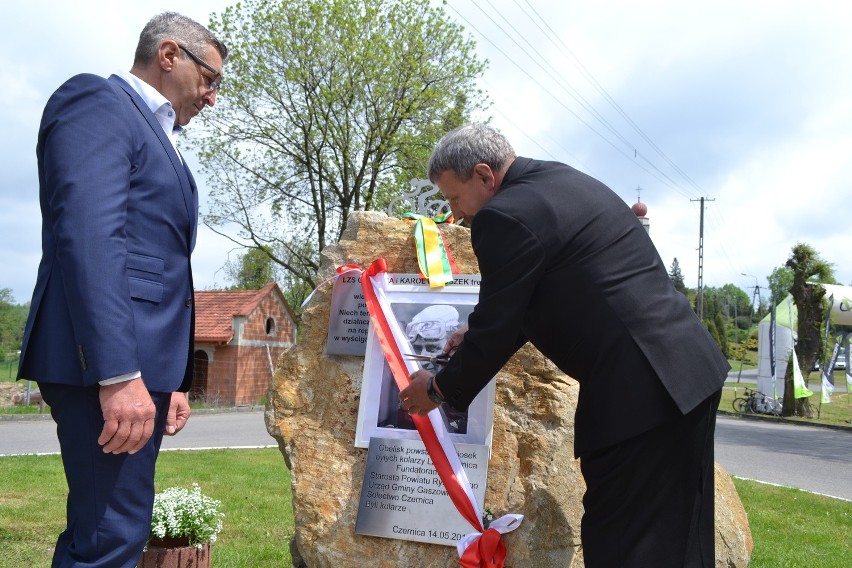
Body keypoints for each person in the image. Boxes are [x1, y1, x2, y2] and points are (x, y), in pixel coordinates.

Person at [399, 124, 729, 567]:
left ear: (483, 176)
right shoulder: (561, 182)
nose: (454, 213)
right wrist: (472, 332)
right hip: (686, 372)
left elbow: (498, 325)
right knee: (681, 538)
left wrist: (438, 390)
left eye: (454, 198)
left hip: (640, 395)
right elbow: (530, 298)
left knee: (623, 542)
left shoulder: (503, 217)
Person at [17, 12, 227, 567]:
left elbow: (159, 260)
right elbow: (90, 239)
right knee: (108, 538)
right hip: (104, 365)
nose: (212, 97)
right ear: (169, 54)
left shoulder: (160, 134)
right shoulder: (98, 104)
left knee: (114, 530)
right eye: (211, 80)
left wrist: (175, 377)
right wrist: (118, 372)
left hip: (139, 364)